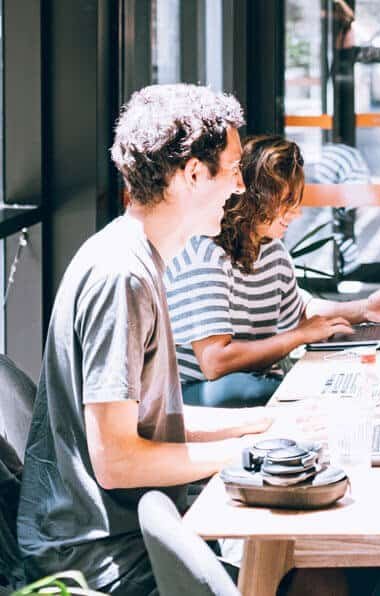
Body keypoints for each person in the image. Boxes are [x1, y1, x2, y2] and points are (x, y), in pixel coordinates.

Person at [14, 84, 278, 595]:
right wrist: (251, 453)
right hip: (100, 557)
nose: (241, 187)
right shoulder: (123, 275)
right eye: (233, 169)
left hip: (122, 535)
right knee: (322, 568)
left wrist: (266, 423)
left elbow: (151, 422)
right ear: (193, 175)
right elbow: (118, 460)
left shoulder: (135, 256)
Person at [166, 135, 380, 408]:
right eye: (287, 201)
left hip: (251, 381)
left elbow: (301, 309)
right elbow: (214, 362)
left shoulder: (271, 250)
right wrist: (298, 336)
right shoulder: (205, 254)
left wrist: (365, 309)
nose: (296, 213)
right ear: (256, 200)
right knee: (250, 390)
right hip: (196, 392)